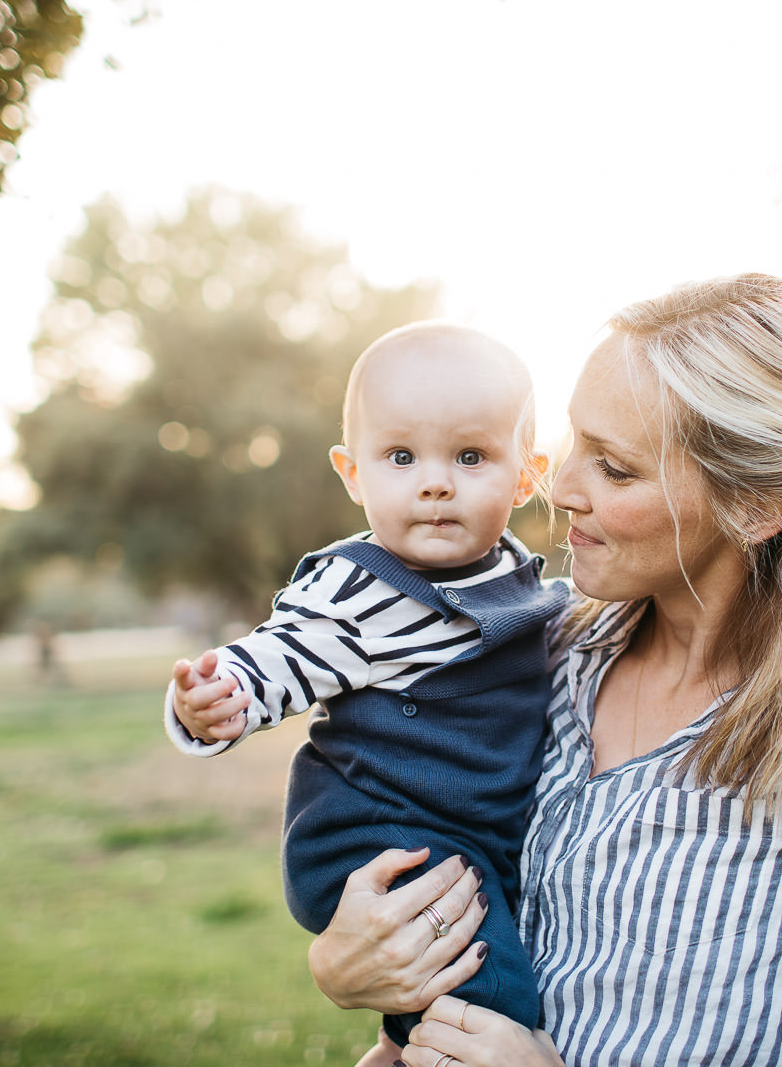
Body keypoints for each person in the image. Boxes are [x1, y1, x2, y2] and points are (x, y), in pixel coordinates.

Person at [305, 273, 782, 1067]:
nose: (561, 488)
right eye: (574, 443)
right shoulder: (542, 655)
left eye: (615, 468)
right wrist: (347, 964)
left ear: (755, 506)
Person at [166, 322, 570, 1049]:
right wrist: (214, 698)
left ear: (526, 475)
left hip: (465, 837)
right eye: (401, 457)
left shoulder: (518, 577)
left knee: (483, 973)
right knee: (495, 997)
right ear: (353, 474)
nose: (435, 482)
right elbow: (276, 656)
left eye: (471, 456)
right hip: (377, 839)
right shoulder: (355, 589)